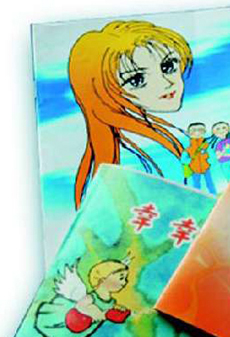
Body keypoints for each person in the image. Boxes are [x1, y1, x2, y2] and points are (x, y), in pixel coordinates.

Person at [68, 20, 193, 208]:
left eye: (168, 66)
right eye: (136, 80)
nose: (166, 83)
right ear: (101, 91)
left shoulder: (168, 134)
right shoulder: (129, 153)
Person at [182, 123, 216, 194]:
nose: (197, 133)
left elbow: (212, 156)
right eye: (193, 130)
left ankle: (214, 195)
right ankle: (197, 196)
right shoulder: (188, 149)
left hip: (206, 167)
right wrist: (190, 160)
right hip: (194, 168)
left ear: (204, 131)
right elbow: (183, 160)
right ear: (189, 133)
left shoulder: (206, 146)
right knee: (196, 184)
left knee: (209, 183)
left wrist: (209, 160)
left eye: (200, 130)